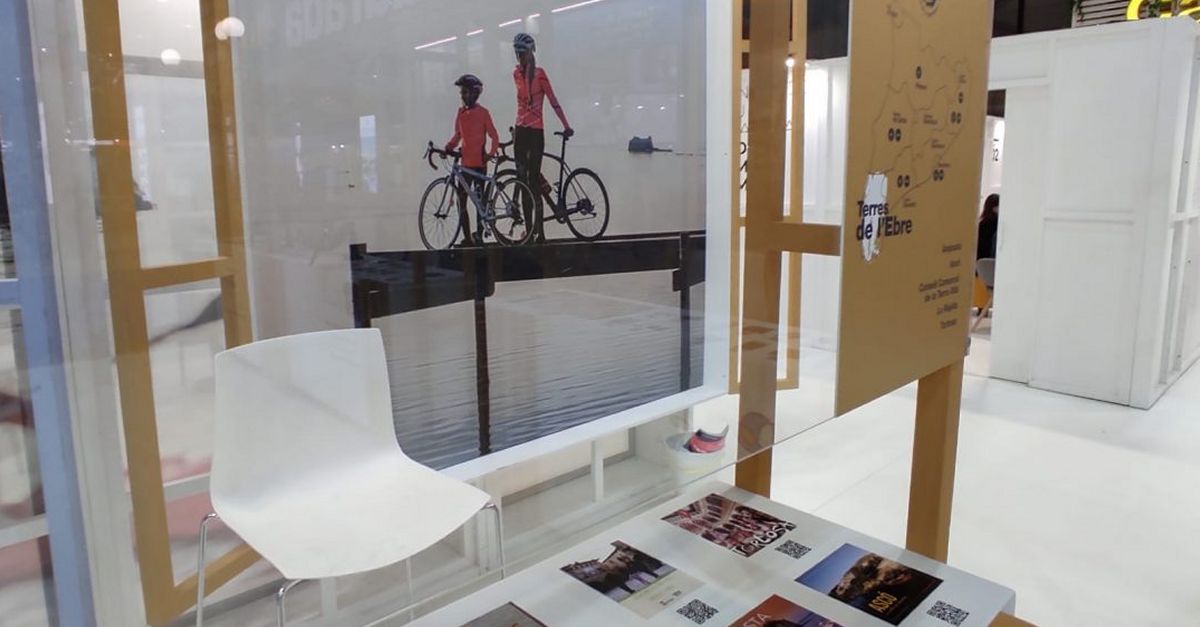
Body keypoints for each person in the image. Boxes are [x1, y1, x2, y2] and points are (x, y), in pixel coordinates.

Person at [511, 33, 573, 242]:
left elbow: (553, 101)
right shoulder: (516, 74)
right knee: (522, 181)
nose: (519, 56)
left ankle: (540, 233)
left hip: (535, 132)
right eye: (517, 53)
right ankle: (530, 231)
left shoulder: (540, 74)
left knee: (533, 182)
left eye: (522, 53)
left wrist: (566, 125)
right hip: (521, 131)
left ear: (531, 53)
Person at [444, 73, 499, 246]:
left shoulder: (483, 113)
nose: (462, 95)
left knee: (480, 204)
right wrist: (448, 147)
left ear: (475, 93)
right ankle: (467, 237)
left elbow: (494, 136)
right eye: (461, 92)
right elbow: (458, 134)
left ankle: (479, 236)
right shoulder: (461, 113)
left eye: (465, 92)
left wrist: (491, 153)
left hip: (479, 165)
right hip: (465, 165)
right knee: (462, 202)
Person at [977, 193, 999, 259]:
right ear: (994, 208)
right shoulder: (997, 223)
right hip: (992, 259)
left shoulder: (982, 224)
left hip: (981, 261)